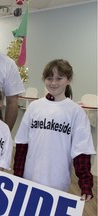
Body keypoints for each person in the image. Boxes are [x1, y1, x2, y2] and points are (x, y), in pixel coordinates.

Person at [13, 59, 96, 201]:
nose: (53, 83)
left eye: (59, 78)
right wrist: (17, 177)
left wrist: (86, 184)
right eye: (49, 78)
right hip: (29, 178)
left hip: (58, 182)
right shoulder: (34, 107)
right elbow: (22, 145)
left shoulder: (75, 111)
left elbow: (81, 151)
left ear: (69, 79)